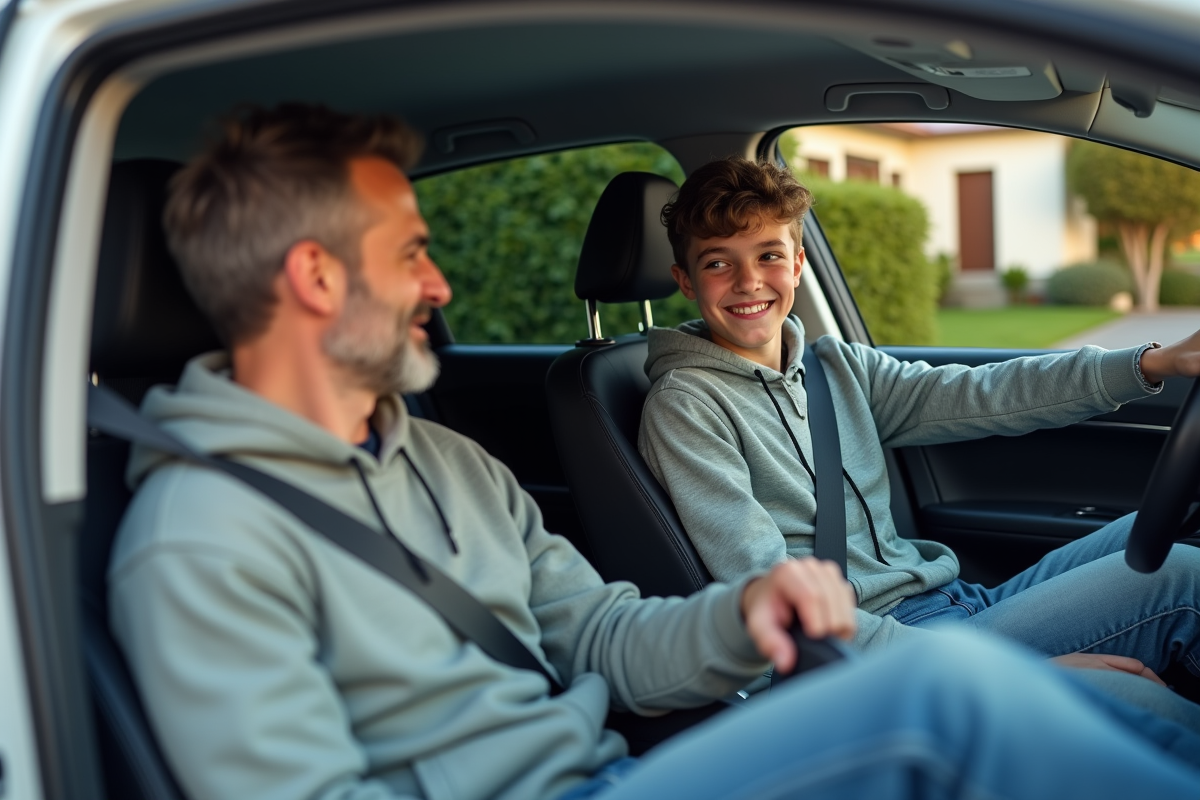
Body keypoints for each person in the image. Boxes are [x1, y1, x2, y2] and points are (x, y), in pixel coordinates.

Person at [108, 105, 1200, 800]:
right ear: (314, 277)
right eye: (414, 253)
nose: (439, 291)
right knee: (954, 697)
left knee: (1130, 607)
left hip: (623, 763)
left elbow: (603, 634)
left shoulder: (446, 461)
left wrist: (742, 613)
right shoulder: (199, 541)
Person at [638, 156, 1200, 716]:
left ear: (799, 264)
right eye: (718, 263)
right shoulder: (685, 407)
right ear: (684, 281)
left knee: (1162, 533)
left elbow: (988, 392)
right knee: (1175, 592)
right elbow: (780, 604)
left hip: (957, 606)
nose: (748, 281)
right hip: (863, 659)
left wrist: (1153, 363)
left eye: (769, 256)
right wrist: (1008, 672)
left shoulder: (837, 368)